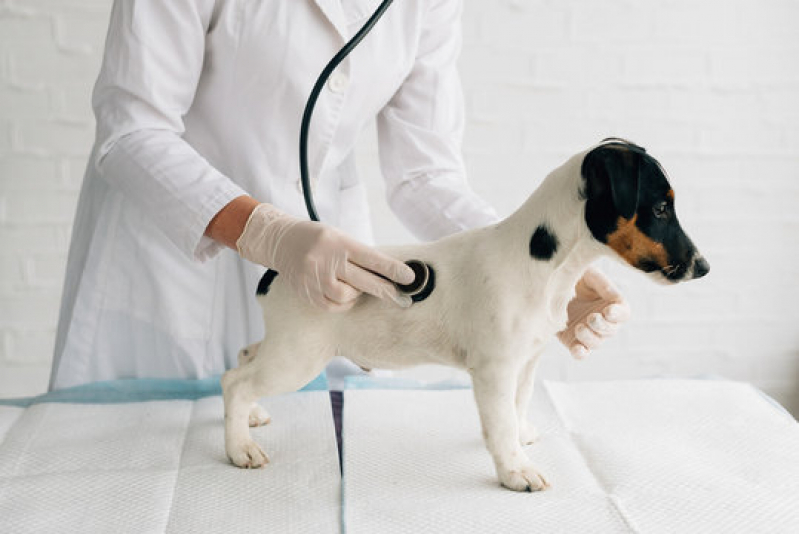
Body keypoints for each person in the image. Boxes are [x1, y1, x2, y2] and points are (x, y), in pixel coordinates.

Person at [49, 0, 629, 391]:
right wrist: (266, 233)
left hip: (325, 285)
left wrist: (533, 272)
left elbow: (424, 175)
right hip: (166, 271)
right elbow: (130, 131)